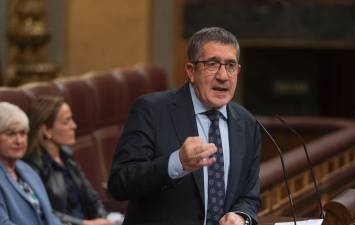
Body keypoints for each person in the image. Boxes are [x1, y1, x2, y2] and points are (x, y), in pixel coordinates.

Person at [108, 27, 261, 225]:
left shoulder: (246, 123)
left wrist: (241, 215)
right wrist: (176, 163)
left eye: (230, 65)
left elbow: (249, 196)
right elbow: (120, 183)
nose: (223, 76)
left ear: (238, 71)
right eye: (212, 64)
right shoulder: (152, 110)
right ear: (190, 71)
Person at [23, 96, 115, 225]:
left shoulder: (67, 156)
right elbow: (45, 213)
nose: (74, 126)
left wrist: (104, 220)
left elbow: (92, 198)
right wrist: (85, 224)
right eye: (66, 122)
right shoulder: (31, 167)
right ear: (46, 130)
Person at [0, 102, 63, 225]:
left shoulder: (27, 169)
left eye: (23, 133)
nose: (19, 141)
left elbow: (50, 216)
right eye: (11, 134)